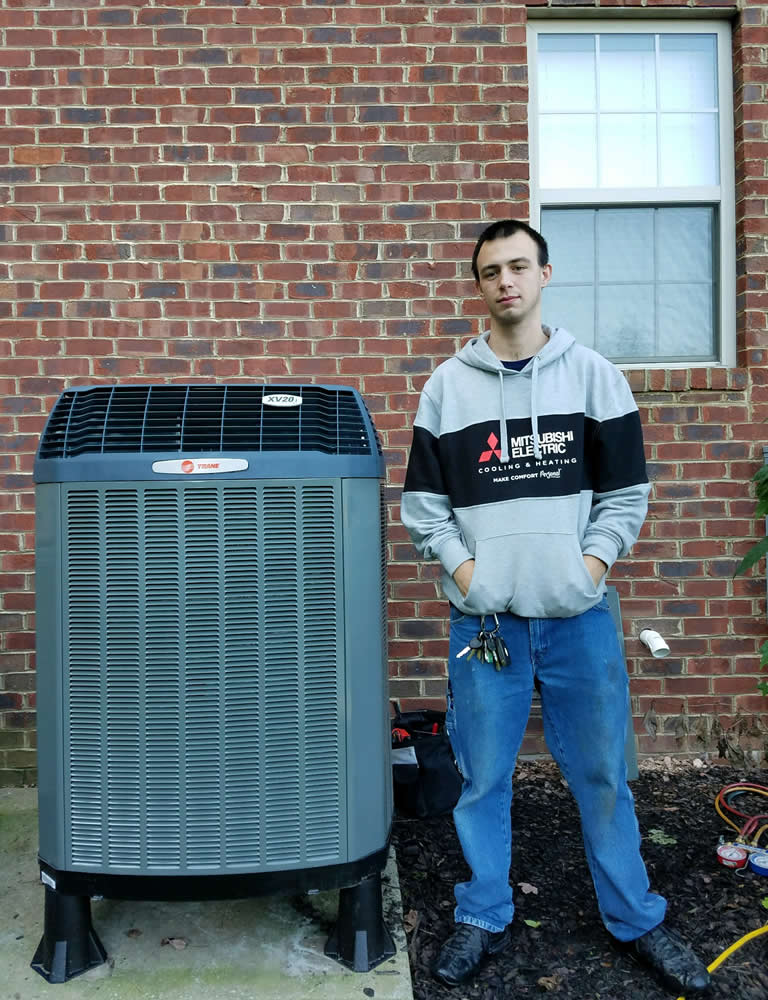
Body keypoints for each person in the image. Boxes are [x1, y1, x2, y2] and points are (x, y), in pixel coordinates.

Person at [400, 219, 711, 995]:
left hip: (580, 620)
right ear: (478, 287)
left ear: (544, 274)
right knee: (482, 778)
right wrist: (468, 573)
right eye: (489, 272)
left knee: (602, 773)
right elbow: (423, 508)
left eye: (517, 267)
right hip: (488, 624)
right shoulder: (447, 387)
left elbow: (626, 493)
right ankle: (483, 912)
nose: (504, 282)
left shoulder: (596, 377)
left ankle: (635, 917)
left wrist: (592, 564)